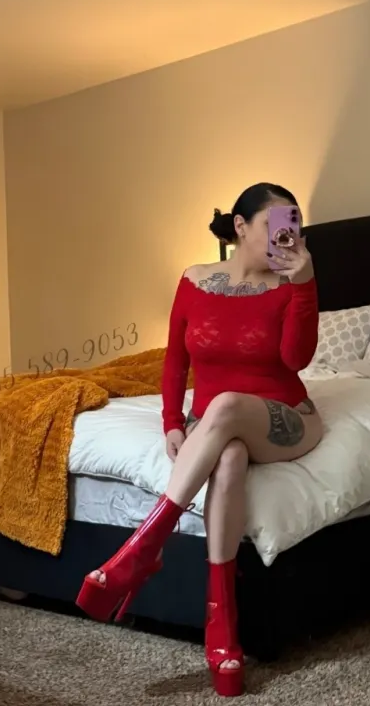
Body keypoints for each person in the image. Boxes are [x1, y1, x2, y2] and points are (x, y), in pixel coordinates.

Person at [76, 183, 323, 697]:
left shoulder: (291, 284)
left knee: (226, 405)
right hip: (217, 425)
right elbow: (174, 360)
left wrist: (304, 286)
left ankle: (144, 548)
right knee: (228, 459)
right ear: (241, 226)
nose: (286, 236)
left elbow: (296, 360)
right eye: (275, 225)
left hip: (285, 418)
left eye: (294, 225)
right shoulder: (193, 279)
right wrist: (171, 421)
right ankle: (222, 629)